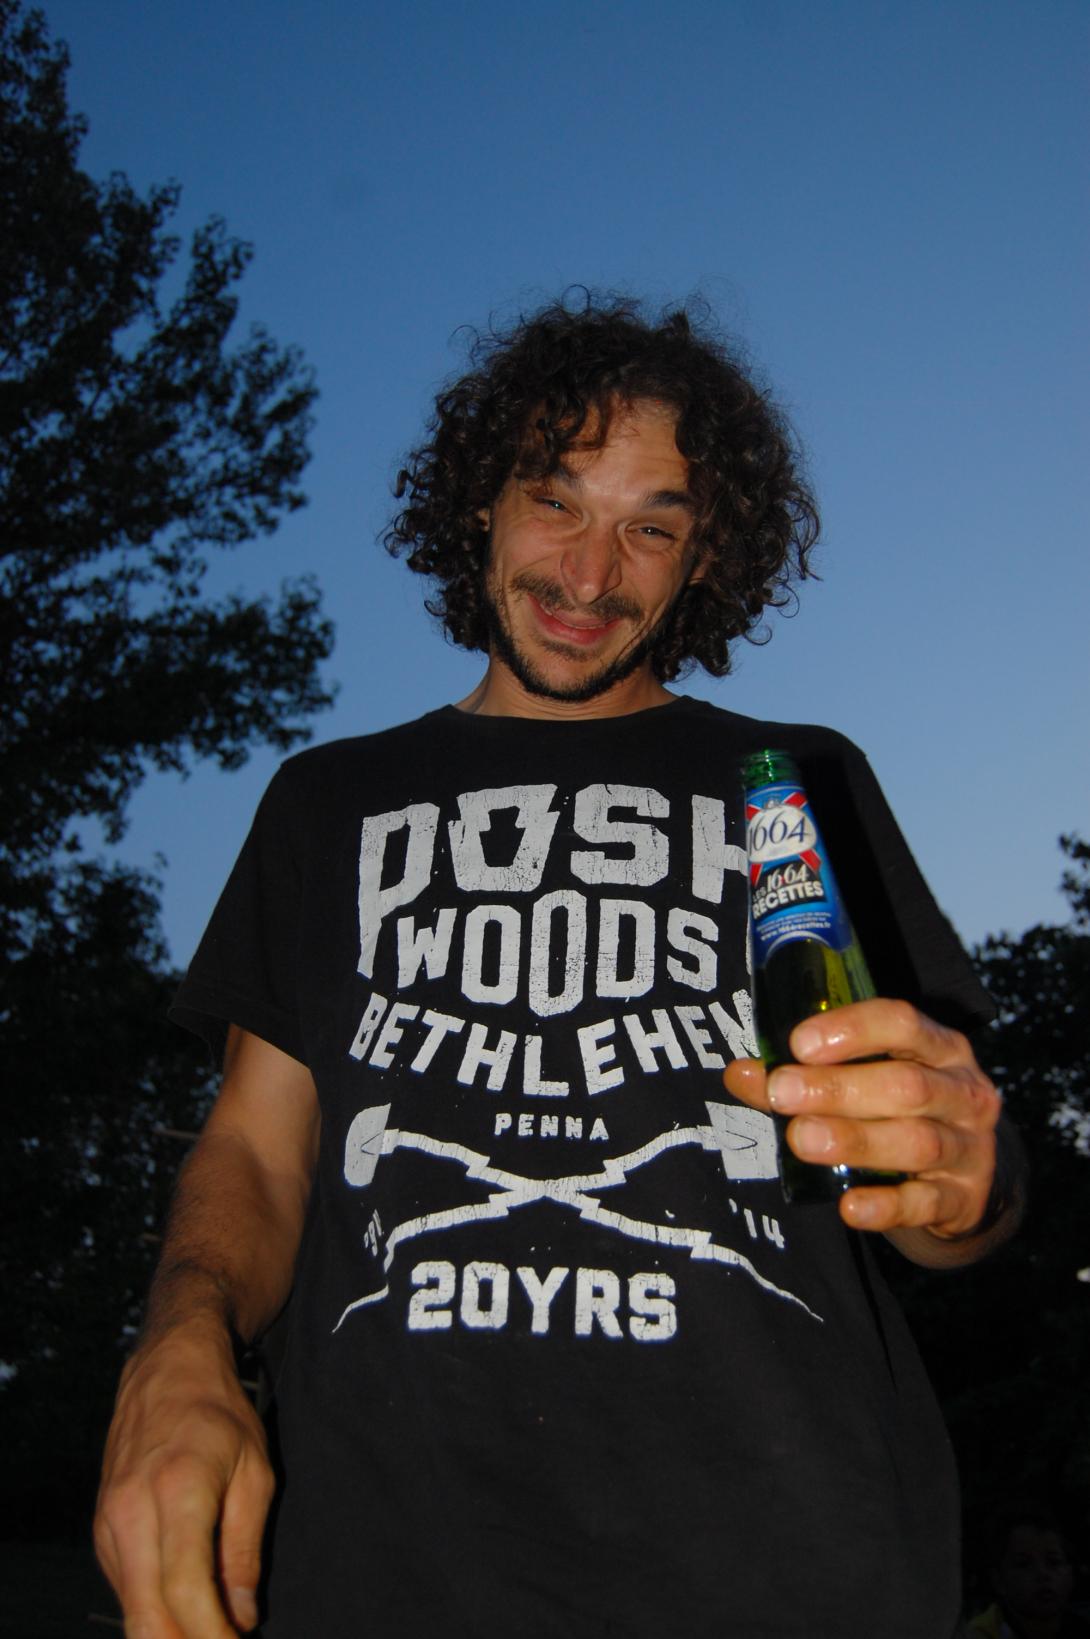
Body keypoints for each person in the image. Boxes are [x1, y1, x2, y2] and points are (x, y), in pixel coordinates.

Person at [94, 295, 1023, 1638]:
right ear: (479, 502)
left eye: (652, 526)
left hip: (788, 1569)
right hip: (385, 1571)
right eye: (555, 502)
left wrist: (965, 1182)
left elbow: (935, 1177)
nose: (591, 575)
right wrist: (179, 1346)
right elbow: (257, 1151)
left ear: (705, 558)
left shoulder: (794, 783)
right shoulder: (326, 801)